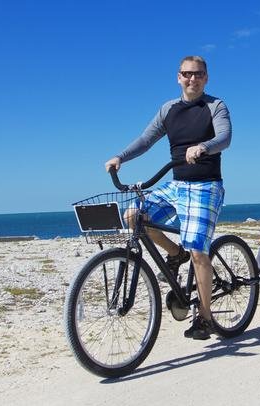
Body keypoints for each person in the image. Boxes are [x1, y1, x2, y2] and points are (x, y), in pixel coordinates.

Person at [105, 56, 232, 340]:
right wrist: (120, 157)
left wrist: (204, 146)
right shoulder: (168, 109)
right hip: (176, 185)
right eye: (187, 74)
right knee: (133, 216)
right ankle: (175, 253)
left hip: (205, 186)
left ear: (206, 78)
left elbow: (225, 138)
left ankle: (205, 318)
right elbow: (146, 140)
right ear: (178, 77)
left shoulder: (215, 106)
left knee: (199, 251)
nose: (192, 79)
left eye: (198, 74)